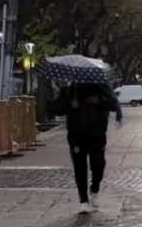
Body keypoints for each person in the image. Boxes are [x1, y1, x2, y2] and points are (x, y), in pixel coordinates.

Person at [49, 83, 122, 214]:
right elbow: (55, 109)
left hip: (97, 134)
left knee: (98, 164)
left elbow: (113, 104)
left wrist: (100, 100)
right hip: (76, 135)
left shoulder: (102, 87)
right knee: (79, 167)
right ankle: (83, 200)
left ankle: (94, 189)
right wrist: (70, 104)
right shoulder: (70, 89)